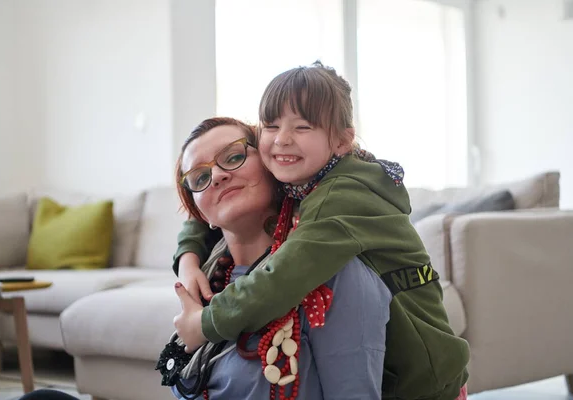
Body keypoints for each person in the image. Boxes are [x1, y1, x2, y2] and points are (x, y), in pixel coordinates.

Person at [174, 62, 470, 400]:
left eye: (302, 126)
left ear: (342, 141)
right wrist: (188, 257)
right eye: (271, 126)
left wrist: (206, 325)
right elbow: (203, 204)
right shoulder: (300, 179)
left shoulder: (340, 196)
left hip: (423, 377)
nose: (283, 139)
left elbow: (282, 277)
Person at [165, 117, 391, 399]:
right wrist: (187, 258)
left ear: (273, 163)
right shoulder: (205, 282)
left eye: (233, 157)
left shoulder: (331, 273)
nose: (218, 176)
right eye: (200, 177)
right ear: (200, 214)